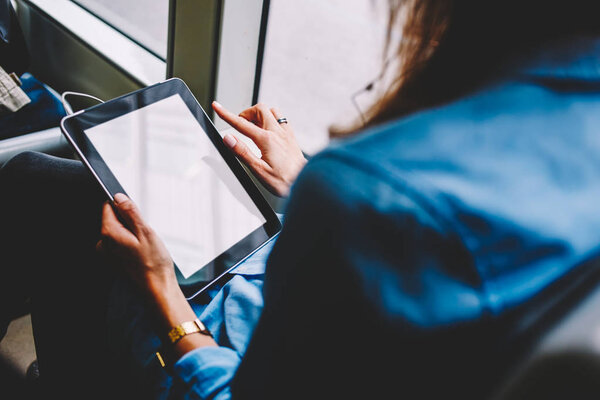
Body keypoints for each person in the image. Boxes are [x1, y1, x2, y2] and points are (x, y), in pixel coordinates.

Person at [2, 0, 600, 398]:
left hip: (212, 338)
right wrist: (300, 183)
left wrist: (165, 299)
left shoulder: (377, 192)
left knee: (41, 184)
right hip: (285, 285)